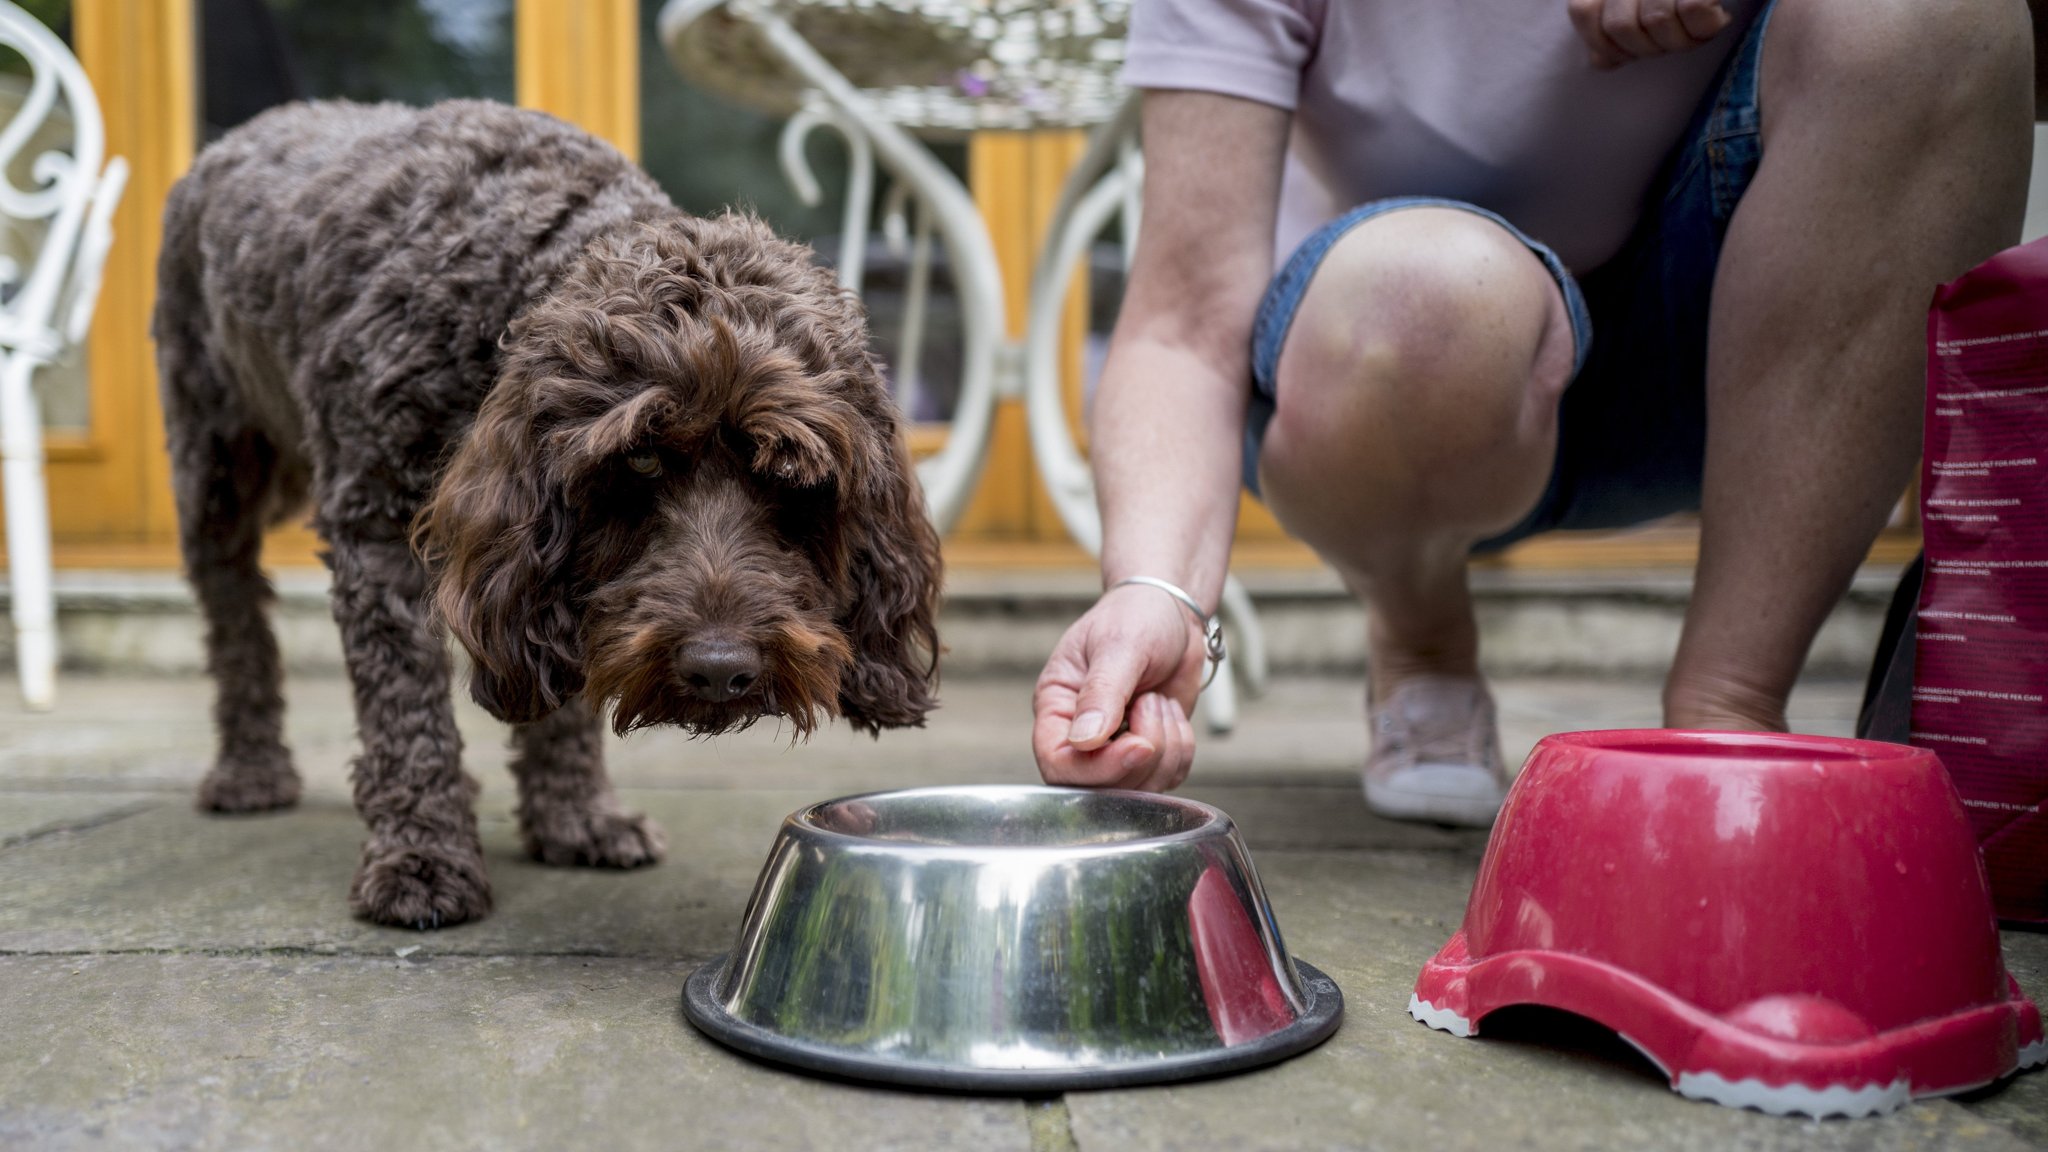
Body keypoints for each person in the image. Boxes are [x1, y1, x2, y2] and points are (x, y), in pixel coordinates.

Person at [1031, 0, 2034, 823]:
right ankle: (1419, 630)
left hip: (1735, 354)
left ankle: (1726, 705)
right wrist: (1156, 593)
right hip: (1381, 380)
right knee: (1425, 297)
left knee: (1932, 15)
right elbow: (1183, 328)